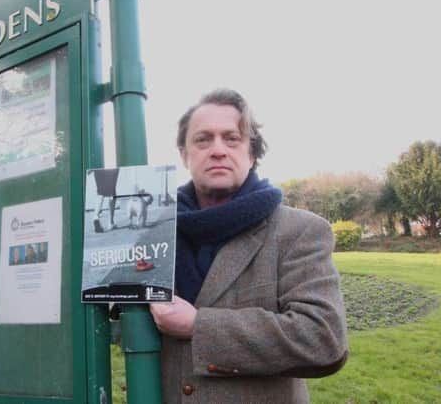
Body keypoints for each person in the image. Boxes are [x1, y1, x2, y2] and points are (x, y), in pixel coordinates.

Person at [149, 89, 348, 403]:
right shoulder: (153, 233)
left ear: (252, 153)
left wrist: (199, 326)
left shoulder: (300, 231)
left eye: (231, 138)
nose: (217, 150)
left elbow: (323, 338)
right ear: (185, 155)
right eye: (203, 139)